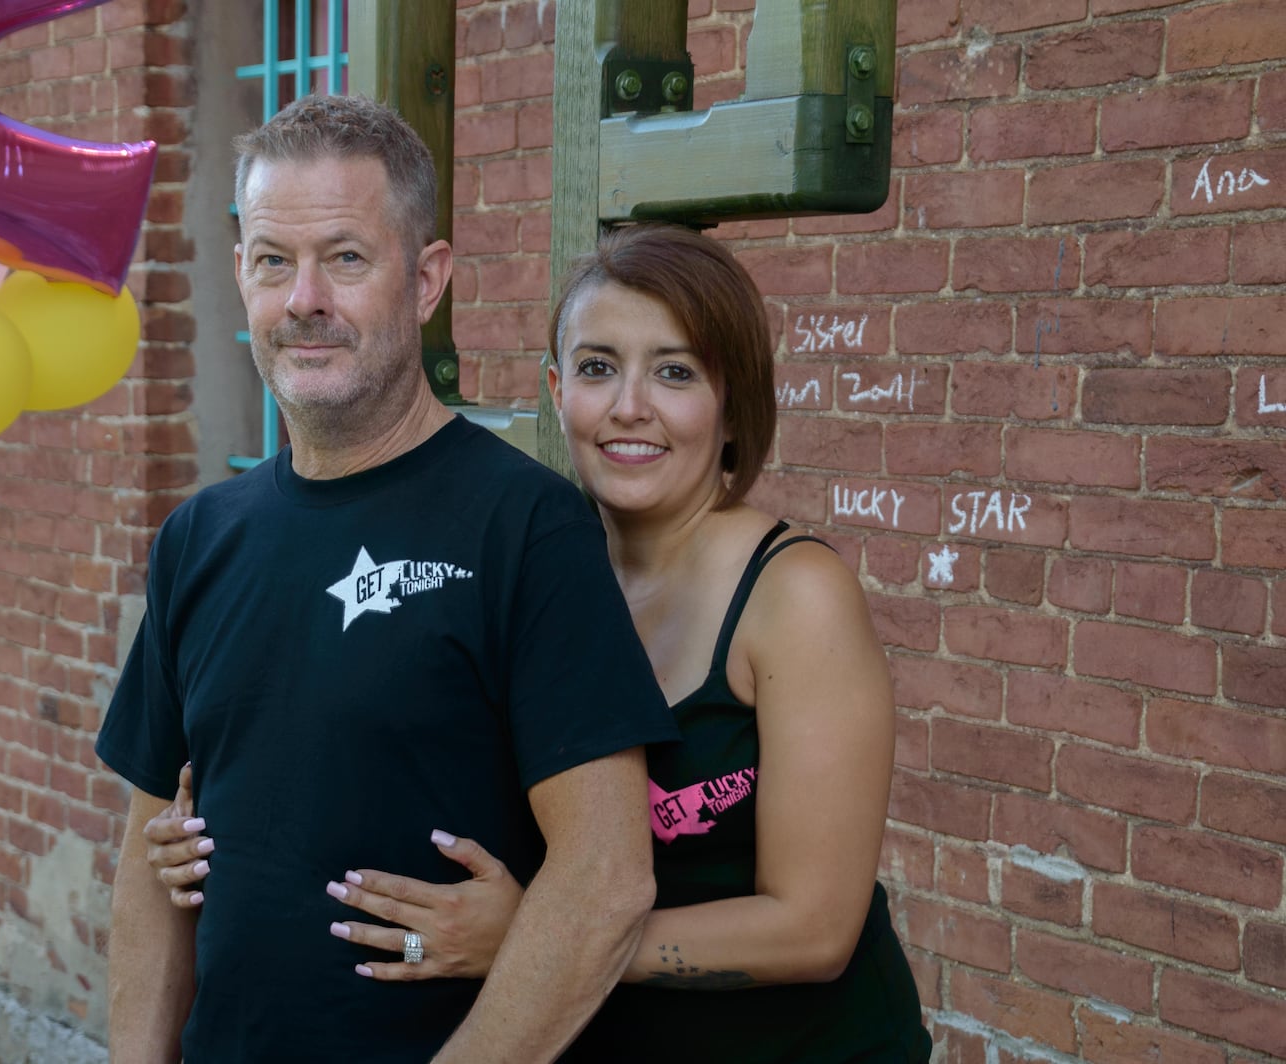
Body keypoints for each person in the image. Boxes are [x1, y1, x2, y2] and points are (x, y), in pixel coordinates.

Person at [147, 222, 933, 1060]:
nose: (630, 404)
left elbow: (816, 931)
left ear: (734, 403)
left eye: (675, 371)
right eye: (598, 368)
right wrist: (209, 836)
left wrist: (538, 931)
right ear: (557, 391)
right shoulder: (532, 566)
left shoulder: (795, 597)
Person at [94, 94, 679, 1063]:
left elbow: (604, 879)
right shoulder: (200, 535)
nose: (304, 298)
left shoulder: (524, 524)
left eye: (347, 257)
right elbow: (152, 860)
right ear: (241, 276)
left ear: (426, 279)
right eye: (274, 261)